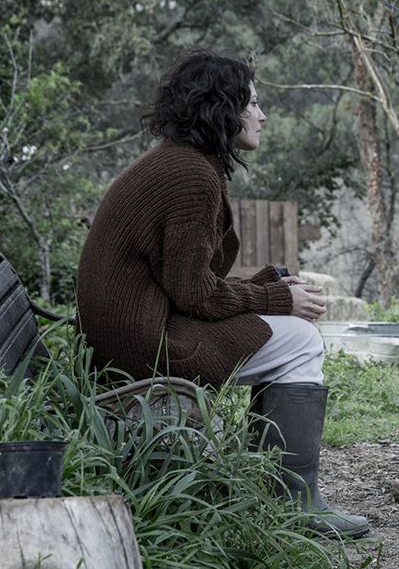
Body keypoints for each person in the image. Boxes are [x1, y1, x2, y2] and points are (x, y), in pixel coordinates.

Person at [76, 50, 370, 537]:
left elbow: (185, 283)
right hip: (143, 351)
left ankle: (278, 491)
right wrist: (278, 300)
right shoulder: (190, 176)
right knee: (301, 340)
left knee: (292, 332)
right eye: (252, 103)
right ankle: (294, 501)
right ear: (222, 110)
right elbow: (194, 294)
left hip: (127, 339)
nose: (262, 115)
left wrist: (263, 287)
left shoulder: (179, 165)